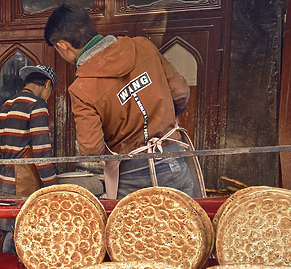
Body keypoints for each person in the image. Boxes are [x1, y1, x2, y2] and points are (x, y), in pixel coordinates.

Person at [44, 5, 204, 199]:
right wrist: (162, 119)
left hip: (131, 174)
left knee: (133, 228)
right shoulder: (143, 46)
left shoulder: (81, 88)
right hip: (172, 159)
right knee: (184, 224)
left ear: (62, 45)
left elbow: (92, 149)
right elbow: (180, 92)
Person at [0, 64, 59, 254]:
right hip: (25, 189)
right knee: (22, 246)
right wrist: (53, 188)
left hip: (3, 187)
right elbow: (42, 153)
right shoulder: (37, 105)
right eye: (50, 91)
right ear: (47, 84)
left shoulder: (4, 108)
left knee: (10, 240)